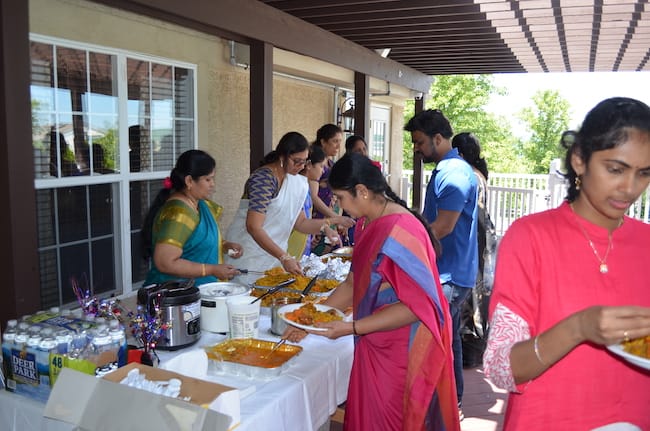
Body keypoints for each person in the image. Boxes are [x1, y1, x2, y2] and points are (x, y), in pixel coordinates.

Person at [483, 97, 650, 430]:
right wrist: (579, 327)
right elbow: (502, 368)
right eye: (615, 169)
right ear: (579, 160)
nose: (630, 188)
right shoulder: (530, 237)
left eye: (644, 173)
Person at [285, 153, 459, 430]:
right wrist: (308, 321)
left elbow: (416, 308)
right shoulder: (370, 222)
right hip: (375, 338)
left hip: (402, 348)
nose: (340, 206)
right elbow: (351, 285)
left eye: (341, 198)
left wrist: (351, 327)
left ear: (362, 191)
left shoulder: (401, 231)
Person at [405, 109, 479, 418]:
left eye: (419, 142)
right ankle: (453, 404)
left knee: (430, 343)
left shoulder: (453, 173)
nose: (416, 149)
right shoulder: (448, 169)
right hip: (451, 271)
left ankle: (433, 411)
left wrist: (405, 248)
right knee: (449, 340)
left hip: (449, 274)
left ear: (438, 138)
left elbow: (444, 226)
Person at [224, 132, 341, 282]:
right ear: (282, 156)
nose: (301, 167)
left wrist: (325, 228)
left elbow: (301, 223)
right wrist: (284, 257)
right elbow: (253, 226)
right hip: (248, 254)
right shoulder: (264, 179)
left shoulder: (295, 181)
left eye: (304, 162)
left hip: (275, 256)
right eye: (296, 161)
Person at [142, 149, 242, 286]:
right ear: (189, 181)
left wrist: (224, 245)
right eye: (208, 179)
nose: (212, 184)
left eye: (213, 178)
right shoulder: (179, 214)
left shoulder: (199, 205)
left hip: (199, 290)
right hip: (177, 293)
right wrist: (212, 269)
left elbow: (194, 241)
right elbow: (165, 262)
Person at [451, 132, 495, 366]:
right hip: (482, 237)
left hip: (474, 239)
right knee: (477, 295)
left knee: (472, 298)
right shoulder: (478, 174)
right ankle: (473, 349)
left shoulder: (469, 176)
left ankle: (469, 350)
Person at [287, 145, 351, 257]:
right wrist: (333, 221)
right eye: (321, 166)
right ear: (309, 165)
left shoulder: (304, 186)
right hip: (292, 246)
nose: (323, 171)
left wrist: (318, 229)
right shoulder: (296, 186)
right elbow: (300, 223)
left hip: (302, 244)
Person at [310, 124, 355, 254]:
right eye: (335, 141)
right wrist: (336, 217)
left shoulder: (331, 165)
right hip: (318, 219)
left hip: (332, 218)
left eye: (340, 142)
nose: (338, 146)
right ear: (323, 142)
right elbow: (313, 197)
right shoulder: (315, 165)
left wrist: (339, 220)